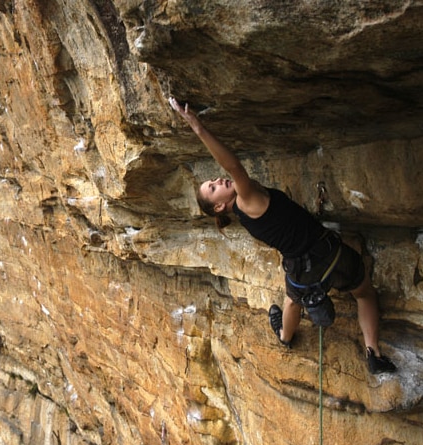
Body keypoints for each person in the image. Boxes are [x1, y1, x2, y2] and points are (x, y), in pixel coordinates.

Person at [169, 97, 396, 375]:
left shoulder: (244, 210)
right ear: (218, 206)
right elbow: (234, 167)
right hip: (330, 252)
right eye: (213, 188)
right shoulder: (246, 199)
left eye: (213, 181)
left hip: (302, 270)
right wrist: (198, 128)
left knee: (292, 300)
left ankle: (285, 337)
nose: (219, 181)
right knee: (364, 293)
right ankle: (373, 352)